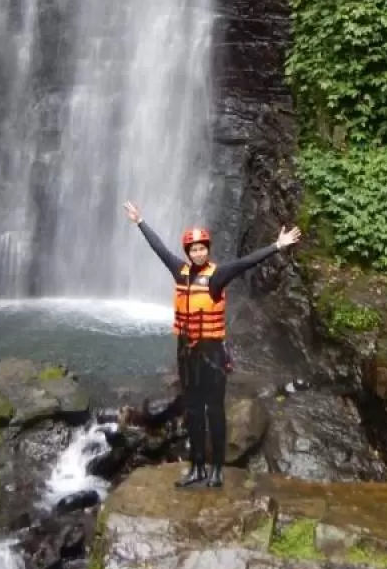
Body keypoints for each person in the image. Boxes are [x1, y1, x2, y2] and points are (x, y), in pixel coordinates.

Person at [124, 199, 302, 489]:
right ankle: (196, 467)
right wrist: (140, 222)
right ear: (188, 252)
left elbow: (247, 262)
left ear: (207, 250)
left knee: (214, 411)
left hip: (212, 355)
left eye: (202, 248)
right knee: (193, 411)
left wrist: (277, 245)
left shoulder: (217, 276)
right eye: (193, 249)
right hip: (186, 354)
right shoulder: (179, 270)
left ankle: (217, 469)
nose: (197, 252)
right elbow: (159, 249)